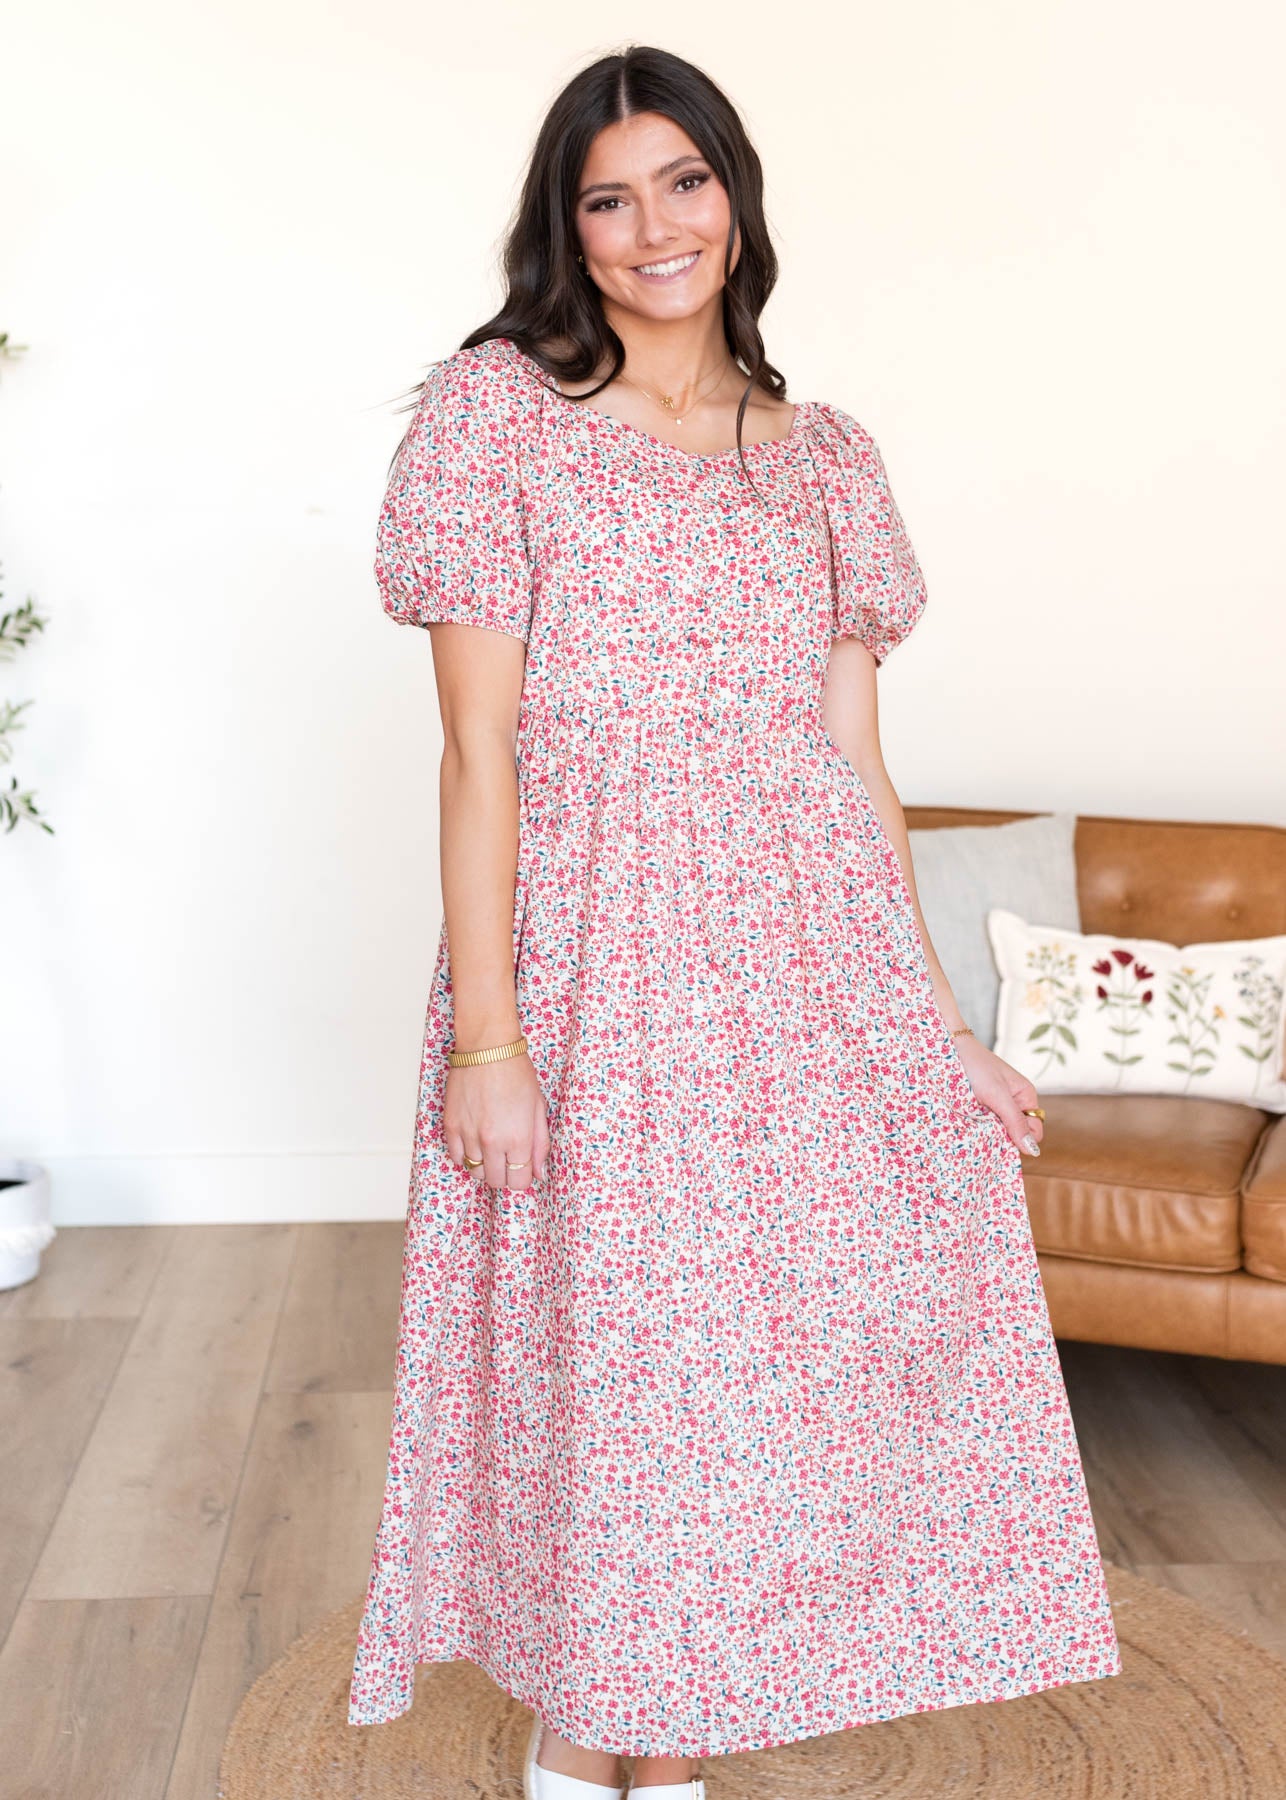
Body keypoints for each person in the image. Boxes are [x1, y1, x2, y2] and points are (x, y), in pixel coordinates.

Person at [348, 42, 1122, 1799]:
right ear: (565, 227)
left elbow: (856, 767)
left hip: (804, 970)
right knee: (613, 1366)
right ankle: (581, 1736)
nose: (650, 228)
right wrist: (490, 1040)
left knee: (769, 1367)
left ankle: (681, 1729)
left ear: (734, 196)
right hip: (595, 966)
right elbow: (479, 760)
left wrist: (930, 1029)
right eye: (605, 197)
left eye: (680, 182)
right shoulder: (494, 426)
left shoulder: (825, 459)